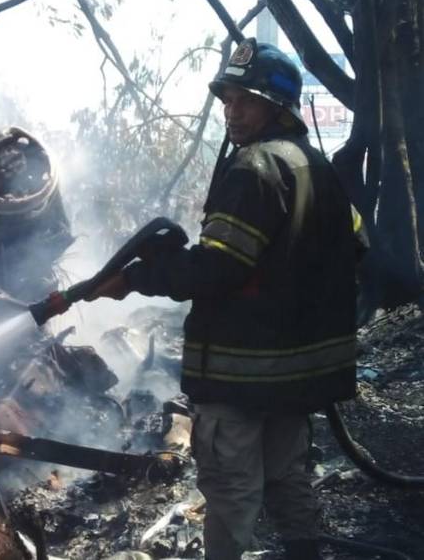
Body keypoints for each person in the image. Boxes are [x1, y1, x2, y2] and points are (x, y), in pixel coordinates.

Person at [88, 38, 365, 560]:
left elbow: (215, 268)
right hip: (298, 373)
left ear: (276, 107)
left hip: (243, 374)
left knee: (231, 490)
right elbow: (354, 245)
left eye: (245, 100)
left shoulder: (255, 169)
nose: (231, 111)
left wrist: (139, 277)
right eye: (227, 99)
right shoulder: (316, 168)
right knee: (287, 477)